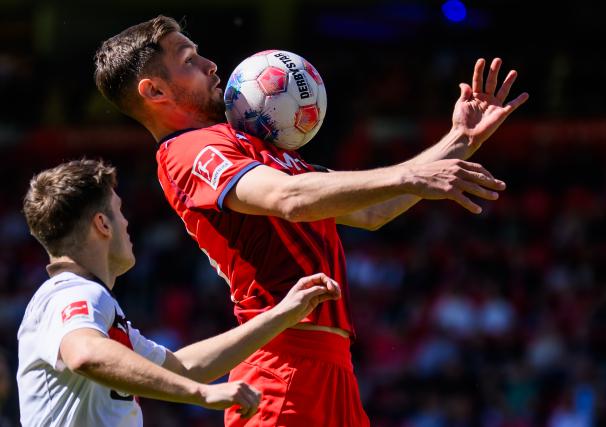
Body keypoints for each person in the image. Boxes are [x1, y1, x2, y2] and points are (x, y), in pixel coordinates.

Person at [93, 15, 528, 427]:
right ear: (154, 93)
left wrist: (459, 141)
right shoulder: (188, 151)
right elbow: (288, 198)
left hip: (332, 365)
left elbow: (371, 210)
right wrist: (409, 174)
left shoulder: (247, 143)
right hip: (282, 365)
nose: (210, 65)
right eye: (189, 61)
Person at [16, 159, 340, 427]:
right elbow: (85, 353)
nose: (127, 224)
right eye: (120, 212)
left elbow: (180, 367)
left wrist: (282, 314)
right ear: (102, 224)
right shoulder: (73, 294)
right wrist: (200, 394)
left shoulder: (85, 301)